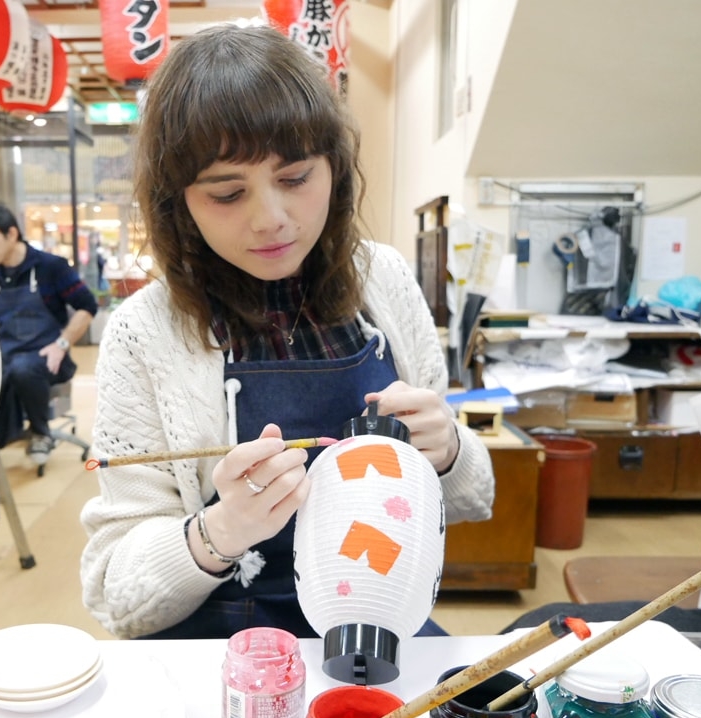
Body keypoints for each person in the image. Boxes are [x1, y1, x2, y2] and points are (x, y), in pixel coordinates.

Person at [80, 23, 494, 640]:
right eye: (227, 193)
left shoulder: (385, 281)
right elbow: (116, 595)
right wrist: (219, 532)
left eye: (296, 179)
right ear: (180, 204)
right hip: (216, 634)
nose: (270, 219)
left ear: (335, 168)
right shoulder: (145, 332)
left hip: (375, 616)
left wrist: (450, 452)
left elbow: (469, 502)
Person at [0, 204, 97, 465]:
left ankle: (41, 433)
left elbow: (88, 306)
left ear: (11, 234)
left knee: (23, 368)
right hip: (6, 357)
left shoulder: (51, 267)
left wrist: (61, 345)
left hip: (49, 357)